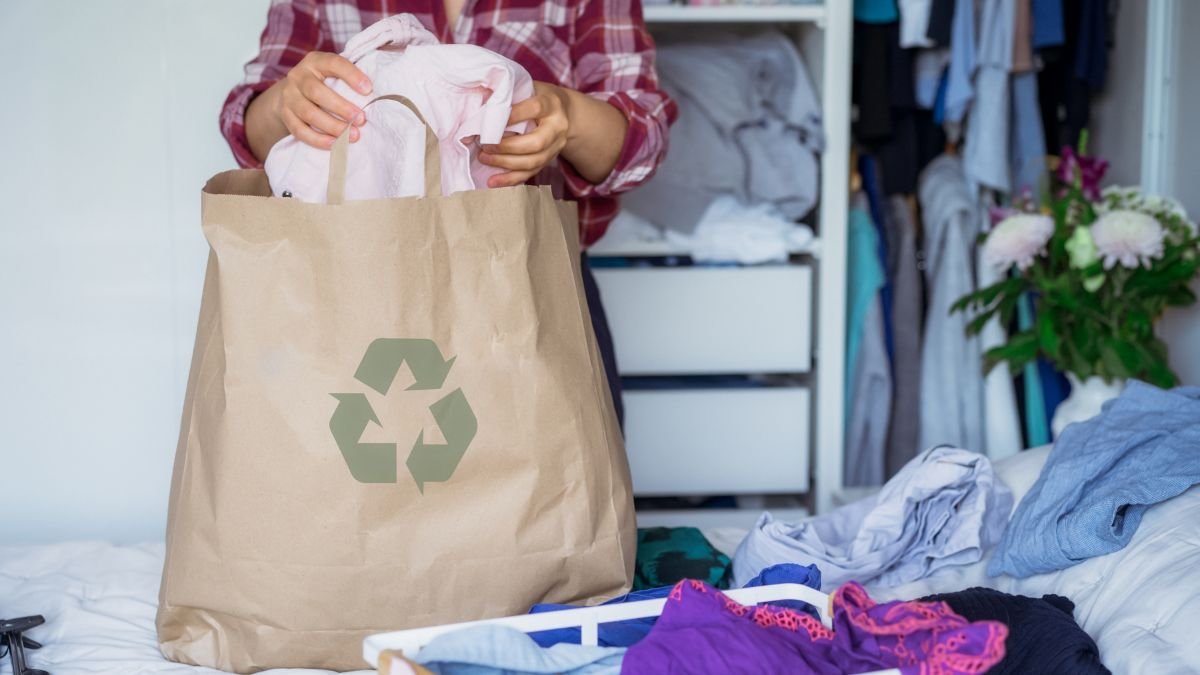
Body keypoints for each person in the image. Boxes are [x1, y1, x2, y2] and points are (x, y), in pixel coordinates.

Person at [220, 0, 678, 426]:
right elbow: (252, 133)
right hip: (348, 286)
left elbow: (642, 141)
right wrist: (287, 102)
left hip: (535, 286)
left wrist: (570, 117)